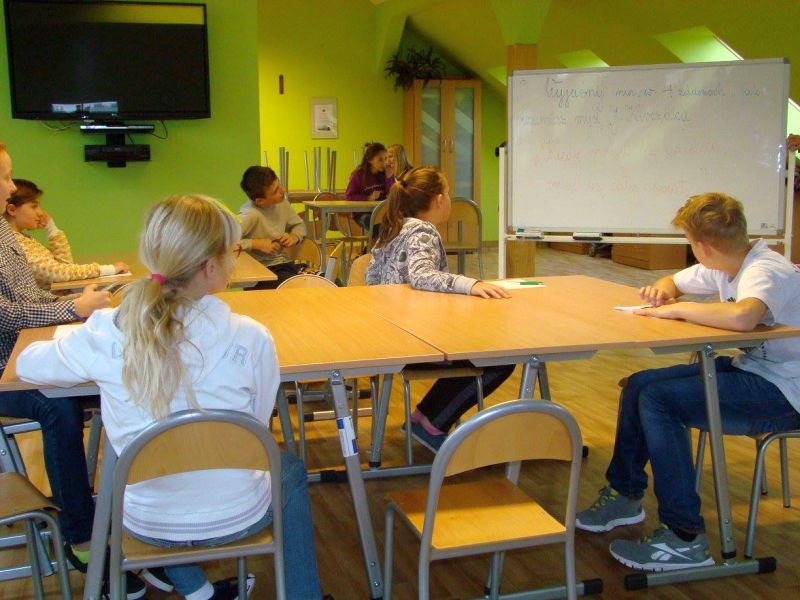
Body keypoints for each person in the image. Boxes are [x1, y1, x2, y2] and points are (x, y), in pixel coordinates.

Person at [17, 194, 324, 599]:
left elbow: (28, 366)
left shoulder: (109, 330)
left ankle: (194, 586)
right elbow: (257, 418)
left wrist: (82, 344)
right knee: (289, 469)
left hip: (146, 523)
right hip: (239, 513)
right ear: (211, 267)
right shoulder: (251, 336)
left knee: (138, 455)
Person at [575, 192, 800, 572]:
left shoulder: (766, 269)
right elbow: (673, 281)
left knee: (659, 400)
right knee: (640, 385)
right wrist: (664, 291)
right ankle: (624, 495)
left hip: (786, 392)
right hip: (757, 372)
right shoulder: (727, 263)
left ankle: (684, 537)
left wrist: (678, 309)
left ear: (703, 246)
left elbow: (744, 317)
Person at [0, 144, 142, 595]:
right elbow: (5, 314)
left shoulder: (4, 232)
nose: (11, 187)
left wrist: (75, 304)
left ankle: (139, 517)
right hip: (5, 369)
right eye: (4, 177)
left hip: (25, 352)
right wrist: (72, 308)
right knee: (57, 409)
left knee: (120, 380)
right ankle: (82, 535)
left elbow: (30, 298)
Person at [365, 166, 514, 451]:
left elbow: (371, 277)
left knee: (473, 353)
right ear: (439, 200)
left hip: (390, 334)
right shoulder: (422, 230)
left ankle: (423, 417)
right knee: (499, 358)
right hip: (412, 341)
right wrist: (469, 284)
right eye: (448, 193)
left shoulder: (395, 227)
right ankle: (434, 424)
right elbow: (421, 275)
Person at [5, 178, 128, 286]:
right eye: (34, 206)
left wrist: (51, 229)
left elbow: (64, 265)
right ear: (12, 210)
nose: (41, 212)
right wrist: (108, 270)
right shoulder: (14, 243)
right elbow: (58, 273)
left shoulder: (25, 239)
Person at [238, 166, 307, 289]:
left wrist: (294, 236)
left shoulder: (281, 202)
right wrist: (254, 244)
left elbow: (299, 225)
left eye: (279, 185)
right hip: (261, 273)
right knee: (301, 287)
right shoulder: (249, 215)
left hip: (284, 265)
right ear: (260, 201)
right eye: (275, 191)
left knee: (327, 280)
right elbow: (223, 243)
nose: (283, 190)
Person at [345, 142, 392, 231]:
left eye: (386, 159)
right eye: (380, 160)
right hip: (362, 213)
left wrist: (389, 178)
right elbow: (349, 196)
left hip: (381, 211)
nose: (384, 163)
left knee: (395, 222)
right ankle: (377, 240)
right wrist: (368, 197)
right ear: (370, 160)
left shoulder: (386, 173)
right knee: (375, 224)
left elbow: (392, 193)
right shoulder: (358, 175)